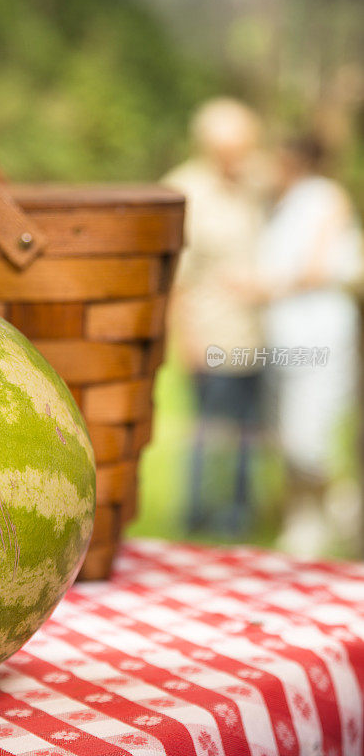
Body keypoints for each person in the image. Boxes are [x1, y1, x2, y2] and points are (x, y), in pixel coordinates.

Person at [253, 135, 363, 556]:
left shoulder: (325, 198)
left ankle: (330, 511)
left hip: (319, 335)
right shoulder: (286, 202)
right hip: (287, 335)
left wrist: (263, 289)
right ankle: (310, 514)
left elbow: (317, 269)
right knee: (285, 433)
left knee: (307, 436)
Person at [163, 98, 266, 536]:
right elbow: (173, 277)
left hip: (254, 335)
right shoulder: (185, 190)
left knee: (247, 436)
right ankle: (199, 519)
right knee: (211, 434)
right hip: (212, 334)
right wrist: (188, 338)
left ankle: (237, 519)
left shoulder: (252, 185)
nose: (243, 155)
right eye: (235, 147)